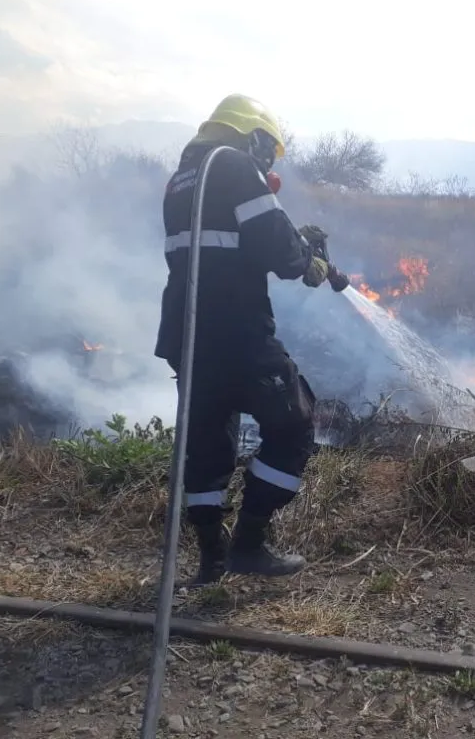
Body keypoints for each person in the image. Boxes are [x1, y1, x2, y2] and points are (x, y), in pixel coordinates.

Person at [154, 93, 344, 587]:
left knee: (205, 445)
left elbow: (231, 243)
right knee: (295, 423)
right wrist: (309, 261)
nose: (269, 163)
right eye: (270, 151)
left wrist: (291, 242)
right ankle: (250, 544)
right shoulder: (236, 165)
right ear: (253, 137)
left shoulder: (183, 178)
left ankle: (210, 560)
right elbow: (277, 252)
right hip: (236, 330)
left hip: (187, 334)